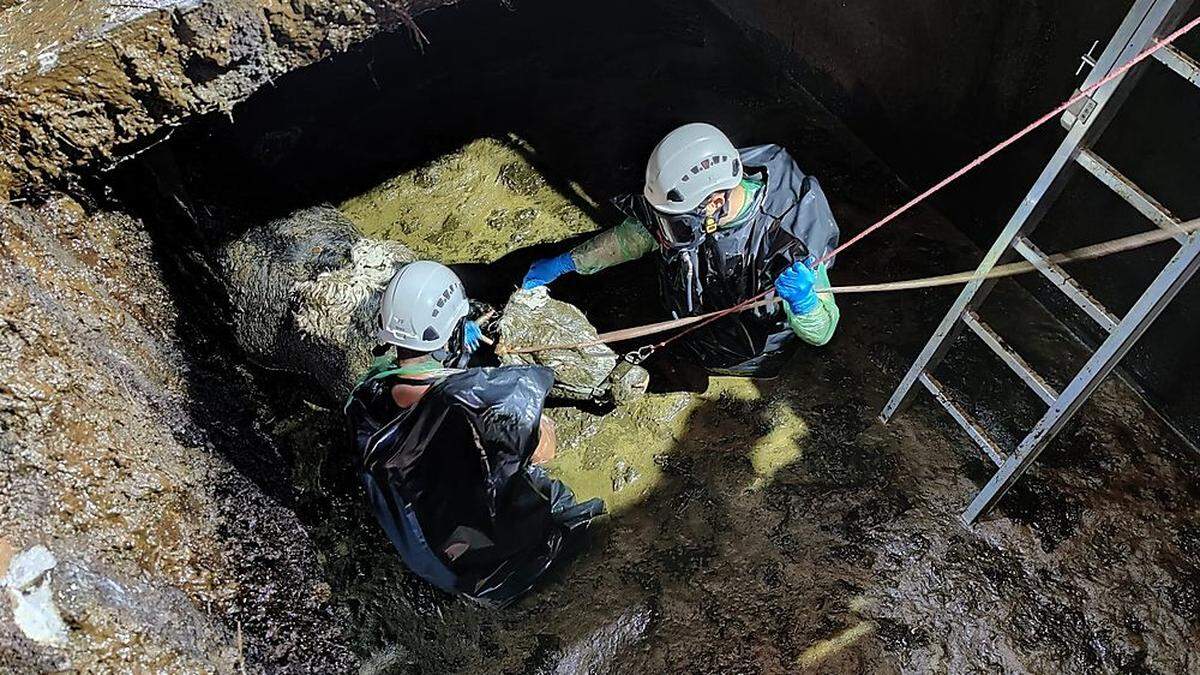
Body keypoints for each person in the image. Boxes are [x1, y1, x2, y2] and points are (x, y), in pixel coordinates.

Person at [345, 261, 603, 607]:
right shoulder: (469, 400)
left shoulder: (366, 395)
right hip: (475, 562)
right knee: (548, 491)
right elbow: (545, 450)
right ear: (450, 328)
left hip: (425, 550)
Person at [522, 123, 841, 378]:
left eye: (679, 221)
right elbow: (640, 235)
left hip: (746, 348)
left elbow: (823, 330)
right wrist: (567, 263)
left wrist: (805, 304)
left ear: (718, 202)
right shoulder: (699, 183)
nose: (670, 227)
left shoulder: (791, 238)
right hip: (692, 309)